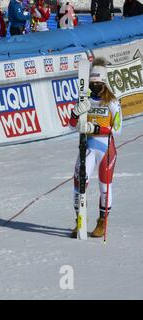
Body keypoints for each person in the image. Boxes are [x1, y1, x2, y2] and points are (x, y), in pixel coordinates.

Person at [69, 58, 122, 238]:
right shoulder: (85, 100)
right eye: (92, 83)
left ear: (104, 83)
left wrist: (96, 128)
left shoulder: (112, 102)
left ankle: (102, 222)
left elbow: (118, 129)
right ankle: (80, 220)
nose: (95, 87)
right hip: (88, 148)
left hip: (106, 149)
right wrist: (75, 114)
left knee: (104, 187)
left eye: (98, 83)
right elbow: (71, 125)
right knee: (79, 183)